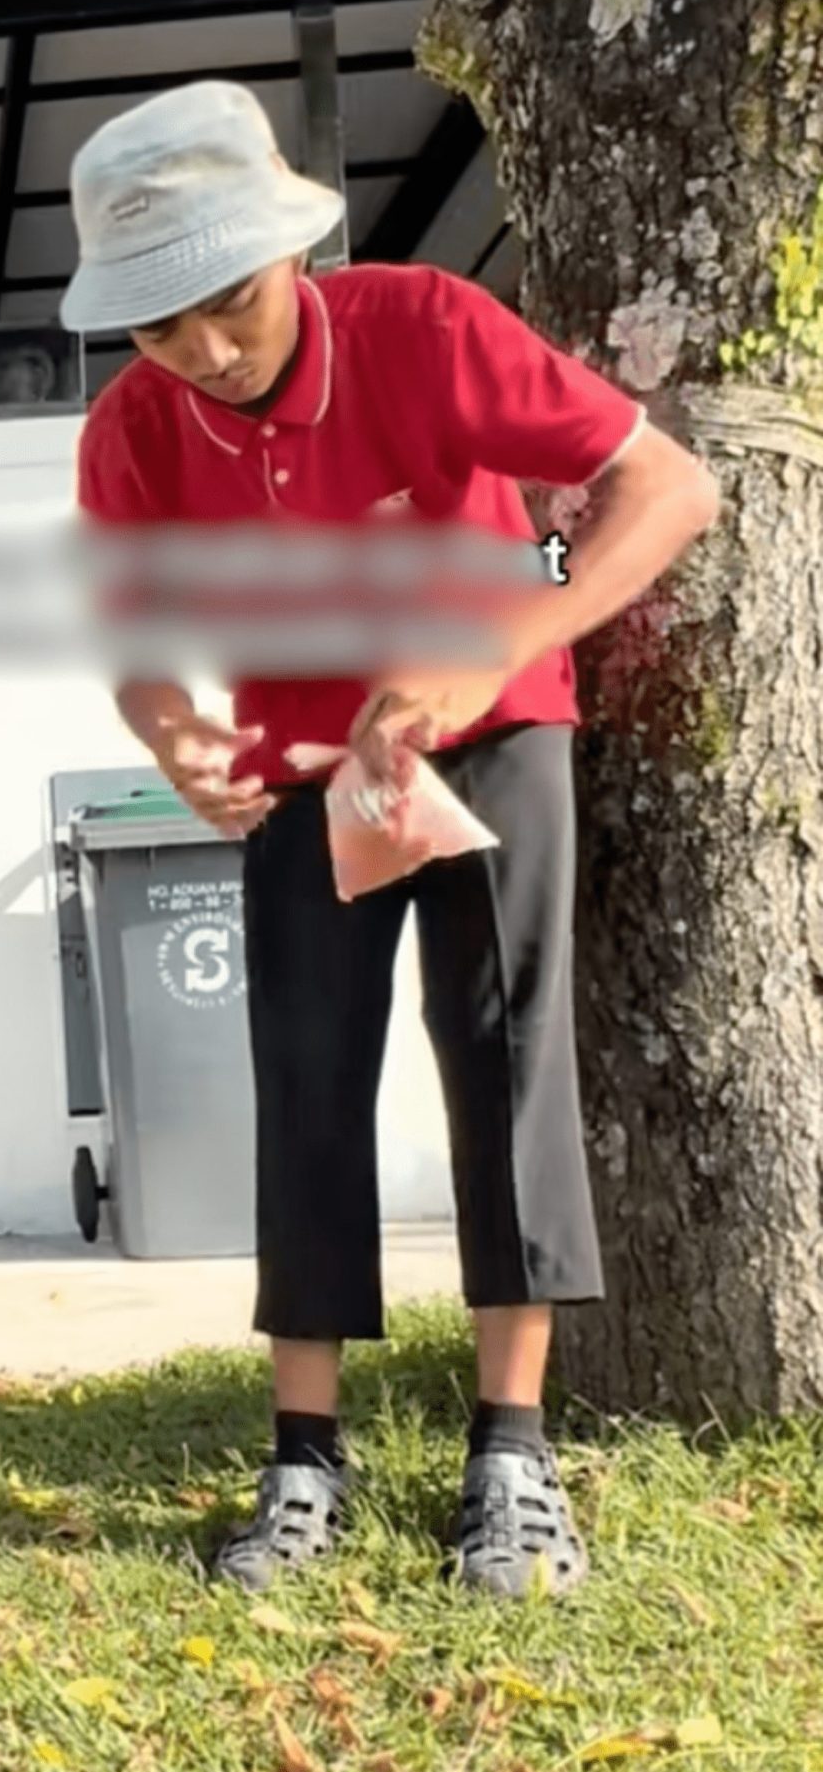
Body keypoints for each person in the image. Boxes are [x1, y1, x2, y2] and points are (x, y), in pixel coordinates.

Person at [60, 81, 719, 1597]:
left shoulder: (422, 327)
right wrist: (170, 734)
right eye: (161, 327)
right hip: (300, 770)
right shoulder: (131, 433)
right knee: (306, 1082)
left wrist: (499, 645)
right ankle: (303, 1460)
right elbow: (138, 643)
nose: (207, 351)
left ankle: (513, 1455)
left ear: (290, 251)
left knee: (504, 1058)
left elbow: (665, 487)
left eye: (230, 303)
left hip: (491, 727)